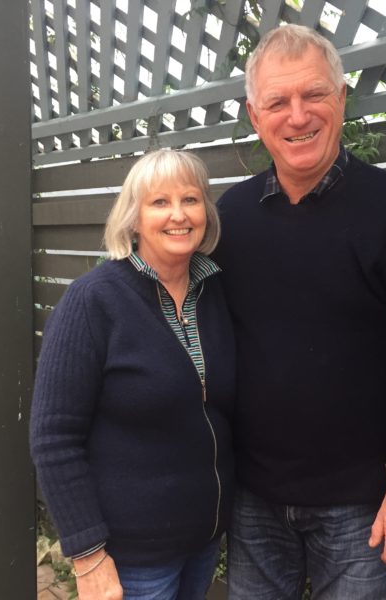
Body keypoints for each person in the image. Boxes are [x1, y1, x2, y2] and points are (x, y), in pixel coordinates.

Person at [212, 24, 386, 599]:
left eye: (314, 94)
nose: (297, 116)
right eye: (278, 102)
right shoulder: (231, 218)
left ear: (342, 98)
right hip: (253, 499)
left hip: (361, 505)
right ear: (255, 116)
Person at [30, 149, 235, 600]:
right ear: (134, 218)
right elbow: (53, 437)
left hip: (202, 541)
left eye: (190, 199)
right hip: (133, 557)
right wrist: (87, 556)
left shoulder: (213, 292)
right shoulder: (94, 301)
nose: (178, 215)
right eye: (160, 202)